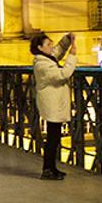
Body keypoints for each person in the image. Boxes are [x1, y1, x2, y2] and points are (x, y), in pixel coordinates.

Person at [31, 32, 76, 181]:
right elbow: (63, 74)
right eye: (48, 44)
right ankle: (47, 169)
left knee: (55, 137)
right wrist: (72, 56)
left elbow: (57, 50)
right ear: (40, 48)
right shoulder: (42, 65)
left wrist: (67, 40)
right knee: (52, 138)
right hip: (52, 104)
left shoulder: (46, 58)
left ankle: (52, 168)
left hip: (54, 102)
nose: (51, 47)